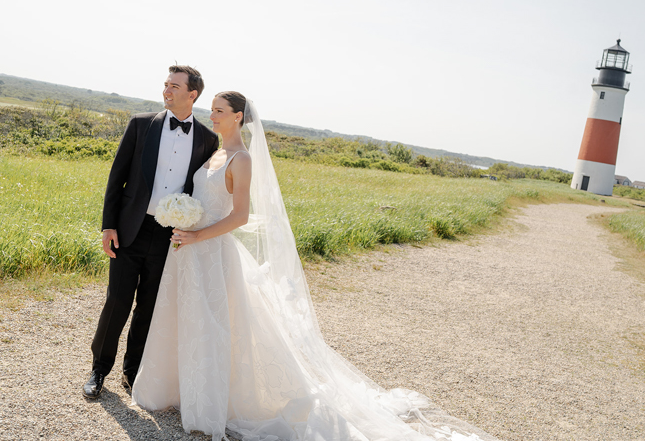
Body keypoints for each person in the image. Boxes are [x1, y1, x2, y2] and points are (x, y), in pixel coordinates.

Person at [131, 92, 500, 441]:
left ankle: (209, 404)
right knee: (185, 318)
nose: (210, 115)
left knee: (214, 324)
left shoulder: (240, 159)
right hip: (190, 249)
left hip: (211, 251)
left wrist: (200, 234)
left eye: (218, 111)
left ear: (238, 117)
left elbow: (241, 216)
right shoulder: (212, 152)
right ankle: (178, 389)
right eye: (211, 109)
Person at [82, 65, 219, 399]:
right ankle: (99, 370)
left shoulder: (207, 139)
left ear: (192, 94)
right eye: (165, 85)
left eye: (174, 86)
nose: (166, 91)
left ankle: (133, 374)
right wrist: (108, 225)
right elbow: (117, 177)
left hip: (169, 236)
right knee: (117, 300)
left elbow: (202, 190)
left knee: (150, 306)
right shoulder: (141, 124)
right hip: (130, 228)